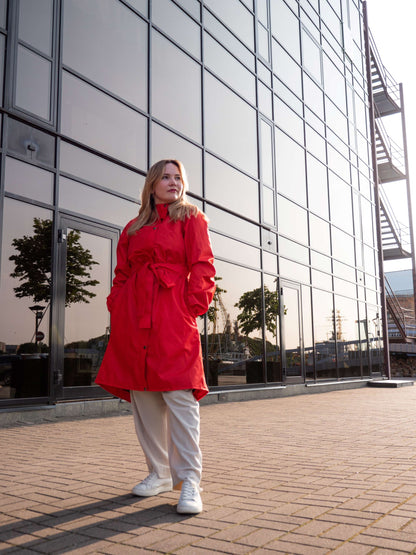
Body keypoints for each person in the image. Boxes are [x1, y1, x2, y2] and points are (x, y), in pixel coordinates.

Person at [96, 159, 216, 514]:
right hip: (134, 317)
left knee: (180, 398)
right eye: (165, 177)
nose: (173, 182)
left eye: (178, 177)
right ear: (151, 184)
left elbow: (203, 265)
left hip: (172, 314)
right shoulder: (132, 228)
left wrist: (191, 305)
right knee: (144, 399)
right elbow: (121, 272)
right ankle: (160, 473)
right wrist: (117, 304)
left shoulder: (190, 217)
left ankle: (190, 481)